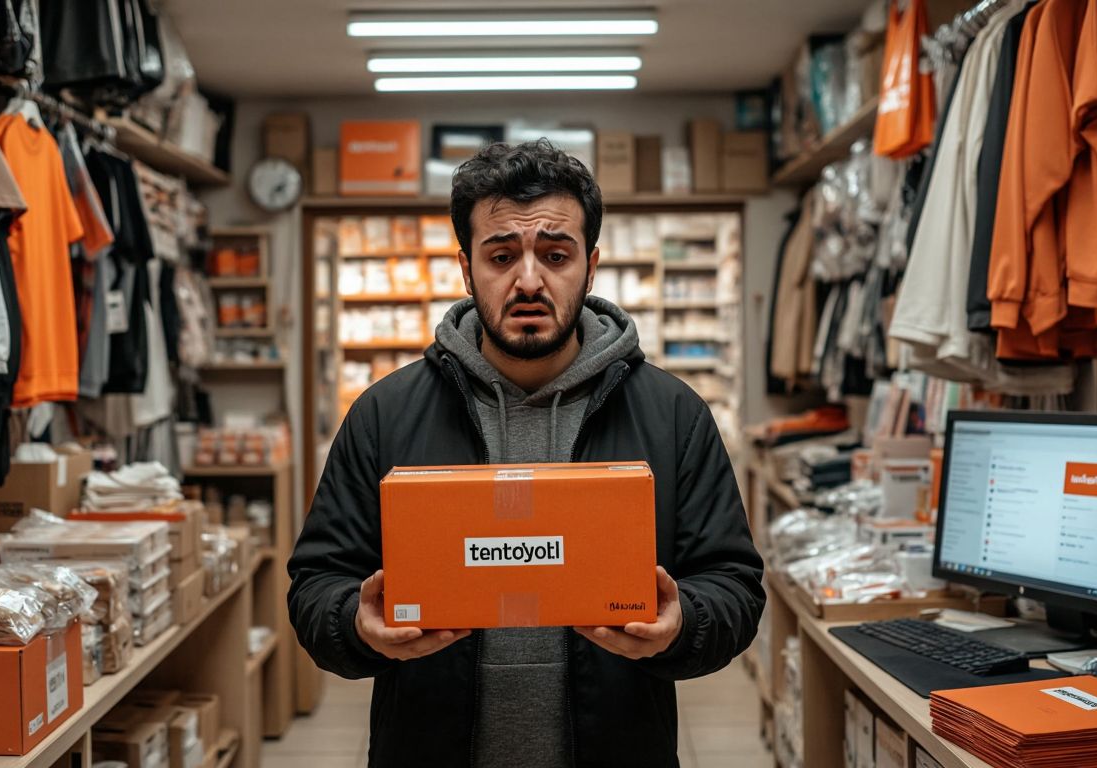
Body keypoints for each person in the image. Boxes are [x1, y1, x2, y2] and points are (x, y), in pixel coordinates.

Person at [287, 139, 765, 767]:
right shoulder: (384, 415)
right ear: (466, 269)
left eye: (556, 254)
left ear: (590, 266)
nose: (530, 280)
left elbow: (734, 585)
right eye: (502, 255)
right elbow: (316, 585)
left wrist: (685, 623)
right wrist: (356, 623)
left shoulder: (673, 416)